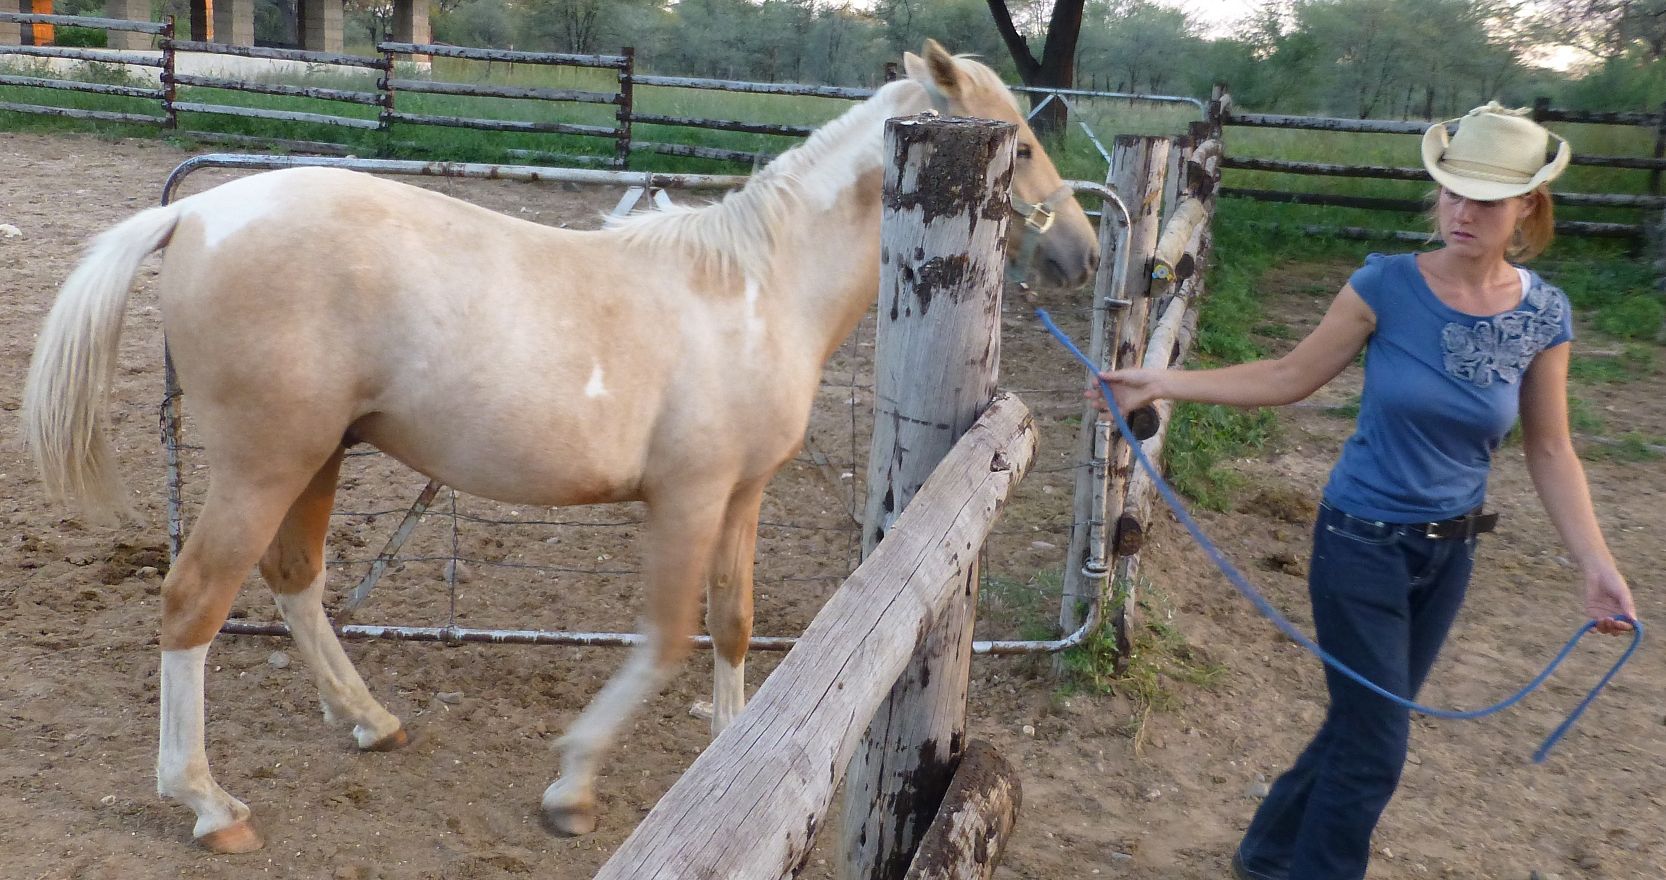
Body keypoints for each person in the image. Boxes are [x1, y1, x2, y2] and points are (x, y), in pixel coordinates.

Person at [1091, 103, 1640, 880]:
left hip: (1450, 555)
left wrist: (1596, 564)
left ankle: (1268, 849)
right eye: (1453, 191)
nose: (1463, 211)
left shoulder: (1545, 315)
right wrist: (1161, 379)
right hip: (1360, 545)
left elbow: (1551, 448)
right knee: (1378, 746)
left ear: (1528, 206)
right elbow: (1289, 376)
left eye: (1486, 198)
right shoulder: (1385, 285)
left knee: (1365, 723)